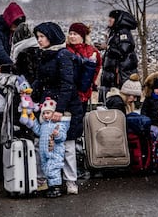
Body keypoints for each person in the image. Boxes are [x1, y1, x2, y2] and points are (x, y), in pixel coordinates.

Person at [33, 22, 83, 195]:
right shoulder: (44, 55)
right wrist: (29, 96)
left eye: (42, 37)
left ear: (51, 37)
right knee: (44, 143)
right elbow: (40, 82)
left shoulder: (63, 56)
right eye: (37, 37)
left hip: (66, 107)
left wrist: (60, 110)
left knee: (67, 145)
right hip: (47, 105)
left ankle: (70, 181)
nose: (39, 40)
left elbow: (67, 85)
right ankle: (48, 180)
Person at [20, 97, 70, 198]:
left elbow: (62, 137)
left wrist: (57, 135)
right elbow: (38, 130)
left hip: (54, 152)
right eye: (44, 113)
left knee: (53, 169)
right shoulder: (43, 125)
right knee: (46, 169)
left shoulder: (58, 125)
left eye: (48, 113)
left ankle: (56, 187)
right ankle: (50, 186)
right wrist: (32, 121)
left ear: (53, 113)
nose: (45, 115)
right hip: (44, 152)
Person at [96, 10, 138, 102]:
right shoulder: (115, 32)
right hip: (112, 76)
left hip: (119, 76)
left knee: (117, 102)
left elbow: (122, 52)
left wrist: (107, 47)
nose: (109, 20)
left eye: (112, 18)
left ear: (118, 20)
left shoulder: (123, 33)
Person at [66, 22, 102, 113]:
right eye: (70, 34)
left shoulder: (91, 51)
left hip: (84, 92)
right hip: (68, 91)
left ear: (82, 36)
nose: (72, 36)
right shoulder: (66, 50)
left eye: (75, 34)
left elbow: (97, 68)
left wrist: (91, 82)